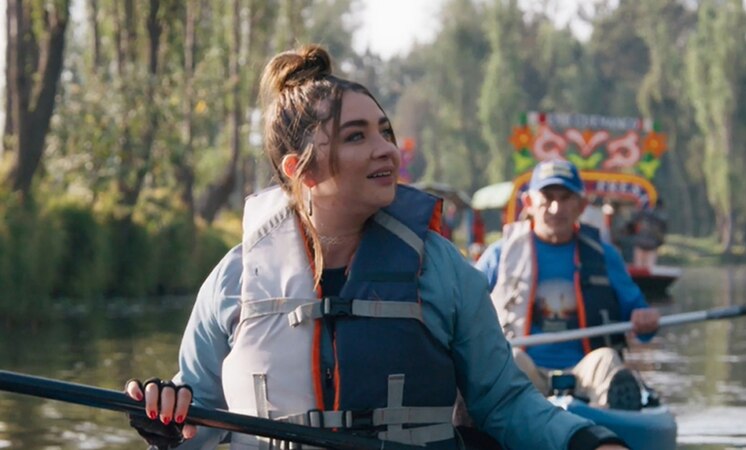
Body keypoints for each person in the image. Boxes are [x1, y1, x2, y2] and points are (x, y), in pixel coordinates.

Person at [122, 46, 628, 450]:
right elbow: (197, 425)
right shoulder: (233, 283)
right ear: (303, 170)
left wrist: (589, 442)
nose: (386, 147)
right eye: (356, 136)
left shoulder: (443, 271)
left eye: (384, 130)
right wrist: (165, 420)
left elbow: (505, 403)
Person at [474, 159, 661, 411]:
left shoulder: (605, 256)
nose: (555, 207)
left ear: (581, 206)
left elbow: (643, 324)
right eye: (547, 197)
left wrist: (645, 319)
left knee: (607, 359)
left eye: (565, 198)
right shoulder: (501, 254)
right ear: (529, 203)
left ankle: (609, 429)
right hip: (524, 374)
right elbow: (463, 307)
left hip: (584, 374)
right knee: (511, 359)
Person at [630, 199, 667, 268]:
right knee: (641, 269)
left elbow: (662, 234)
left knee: (647, 269)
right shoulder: (642, 214)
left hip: (649, 246)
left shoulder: (659, 217)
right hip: (643, 245)